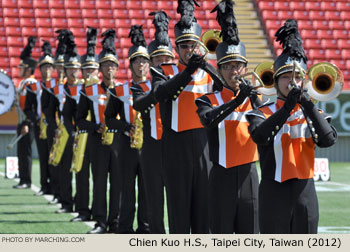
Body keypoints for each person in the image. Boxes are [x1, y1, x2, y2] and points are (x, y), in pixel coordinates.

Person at [246, 19, 337, 234]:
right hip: (272, 191)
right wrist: (286, 108)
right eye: (286, 77)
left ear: (305, 81)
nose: (292, 82)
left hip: (305, 192)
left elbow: (328, 140)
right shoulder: (262, 112)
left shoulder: (314, 113)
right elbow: (260, 136)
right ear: (276, 82)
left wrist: (306, 103)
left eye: (297, 77)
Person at [195, 0, 261, 234]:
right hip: (220, 175)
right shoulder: (207, 99)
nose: (234, 71)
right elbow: (208, 120)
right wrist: (235, 100)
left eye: (238, 66)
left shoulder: (256, 97)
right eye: (228, 66)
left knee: (251, 237)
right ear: (220, 70)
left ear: (245, 68)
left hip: (249, 176)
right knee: (220, 236)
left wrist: (253, 99)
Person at [151, 0, 213, 233]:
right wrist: (188, 71)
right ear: (176, 48)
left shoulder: (208, 72)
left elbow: (228, 89)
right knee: (179, 216)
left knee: (204, 218)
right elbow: (161, 93)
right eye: (184, 46)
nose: (189, 50)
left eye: (192, 45)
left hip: (205, 149)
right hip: (175, 148)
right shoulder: (163, 70)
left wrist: (206, 67)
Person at [130, 11, 175, 234]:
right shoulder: (141, 87)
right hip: (152, 148)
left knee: (179, 201)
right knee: (153, 201)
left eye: (166, 59)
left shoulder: (182, 83)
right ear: (150, 62)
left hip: (176, 148)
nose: (162, 62)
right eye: (157, 59)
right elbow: (140, 103)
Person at [105, 25, 149, 234]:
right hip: (126, 145)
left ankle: (145, 228)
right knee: (126, 190)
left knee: (148, 191)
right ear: (130, 65)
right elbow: (108, 119)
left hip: (149, 145)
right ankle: (124, 228)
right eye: (137, 61)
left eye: (144, 60)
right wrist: (126, 127)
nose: (141, 64)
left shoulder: (156, 87)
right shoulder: (119, 90)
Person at [77, 29, 120, 234]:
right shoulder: (88, 91)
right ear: (100, 68)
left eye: (113, 65)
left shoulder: (124, 89)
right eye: (106, 65)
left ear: (118, 68)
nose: (110, 68)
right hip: (98, 142)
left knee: (119, 185)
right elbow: (79, 121)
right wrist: (96, 127)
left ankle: (117, 222)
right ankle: (101, 222)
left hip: (120, 144)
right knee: (100, 184)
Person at [71, 27, 99, 222]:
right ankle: (82, 210)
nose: (90, 72)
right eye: (87, 69)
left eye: (93, 69)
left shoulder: (107, 88)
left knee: (98, 178)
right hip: (82, 135)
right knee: (81, 175)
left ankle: (99, 214)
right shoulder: (80, 91)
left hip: (98, 138)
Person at [13, 36, 38, 189]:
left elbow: (33, 107)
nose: (19, 69)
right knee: (21, 151)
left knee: (25, 151)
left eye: (22, 67)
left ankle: (27, 180)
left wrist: (27, 123)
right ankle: (23, 179)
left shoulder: (32, 84)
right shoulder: (24, 83)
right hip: (21, 121)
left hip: (27, 123)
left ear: (28, 69)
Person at [38, 40, 60, 203]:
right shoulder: (36, 85)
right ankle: (44, 184)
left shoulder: (55, 85)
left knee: (53, 156)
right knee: (43, 155)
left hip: (53, 125)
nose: (47, 70)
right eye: (44, 67)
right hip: (40, 125)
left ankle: (54, 187)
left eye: (49, 67)